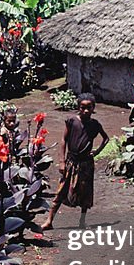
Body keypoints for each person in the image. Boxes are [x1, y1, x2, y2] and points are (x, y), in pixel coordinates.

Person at [41, 93, 109, 230]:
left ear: (93, 108)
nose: (85, 110)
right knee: (61, 191)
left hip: (86, 164)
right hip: (71, 162)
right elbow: (63, 140)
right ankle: (49, 220)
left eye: (89, 107)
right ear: (78, 107)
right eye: (82, 107)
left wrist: (97, 151)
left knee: (85, 192)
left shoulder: (95, 125)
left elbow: (105, 138)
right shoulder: (72, 121)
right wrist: (61, 162)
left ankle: (82, 221)